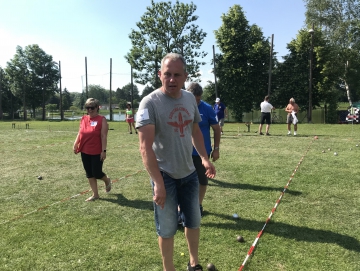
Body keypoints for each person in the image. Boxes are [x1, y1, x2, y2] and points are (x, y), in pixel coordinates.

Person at [136, 53, 216, 271]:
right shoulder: (149, 103)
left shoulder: (190, 99)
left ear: (185, 76)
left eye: (176, 75)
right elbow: (145, 147)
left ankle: (194, 264)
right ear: (160, 74)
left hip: (189, 173)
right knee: (168, 228)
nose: (171, 79)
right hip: (165, 175)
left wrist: (204, 158)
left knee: (194, 221)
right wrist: (158, 183)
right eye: (167, 74)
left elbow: (195, 131)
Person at [187, 82, 221, 217]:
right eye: (193, 100)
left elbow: (216, 129)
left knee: (202, 180)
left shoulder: (207, 108)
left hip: (202, 152)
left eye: (198, 99)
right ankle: (181, 209)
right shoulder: (181, 106)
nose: (196, 102)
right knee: (182, 181)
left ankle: (198, 205)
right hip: (183, 152)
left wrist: (216, 148)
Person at [73, 98, 112, 201]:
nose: (89, 110)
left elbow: (104, 136)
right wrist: (76, 143)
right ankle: (95, 194)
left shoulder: (101, 119)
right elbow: (80, 132)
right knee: (89, 173)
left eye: (92, 107)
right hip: (84, 149)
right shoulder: (83, 119)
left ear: (97, 108)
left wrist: (104, 151)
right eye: (87, 107)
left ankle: (107, 180)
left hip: (97, 151)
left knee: (97, 173)